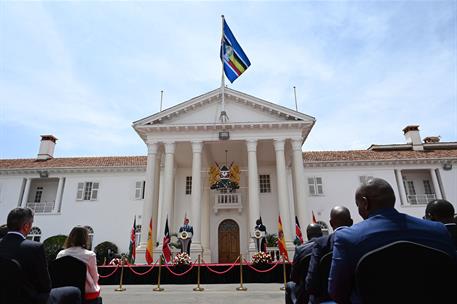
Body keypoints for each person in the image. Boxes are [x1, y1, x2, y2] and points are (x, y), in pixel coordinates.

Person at [328, 178, 457, 304]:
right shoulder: (439, 230)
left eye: (358, 205)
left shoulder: (347, 237)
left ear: (365, 203)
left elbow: (337, 292)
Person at [0, 207, 80, 304]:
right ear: (26, 227)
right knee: (75, 291)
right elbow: (45, 286)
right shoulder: (34, 247)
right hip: (29, 299)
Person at [305, 206, 353, 303]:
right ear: (351, 222)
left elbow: (311, 281)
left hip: (325, 298)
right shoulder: (359, 240)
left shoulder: (321, 244)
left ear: (330, 223)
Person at [57, 226, 101, 301]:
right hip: (86, 292)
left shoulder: (61, 254)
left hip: (64, 289)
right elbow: (95, 277)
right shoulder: (90, 255)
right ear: (85, 239)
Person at [286, 223, 323, 304]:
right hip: (326, 289)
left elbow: (294, 276)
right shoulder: (329, 246)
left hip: (306, 291)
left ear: (307, 235)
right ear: (321, 234)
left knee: (289, 285)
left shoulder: (300, 250)